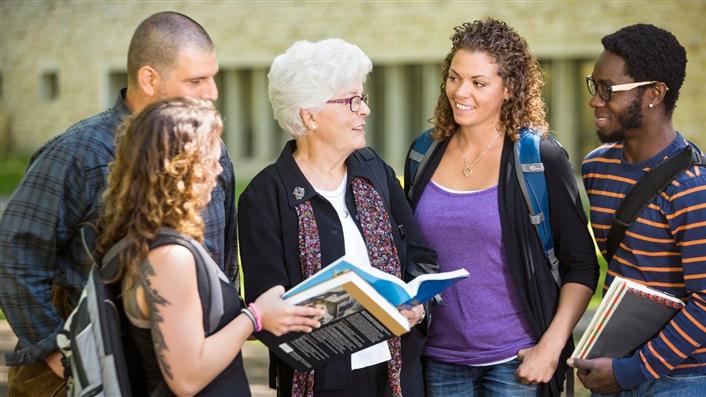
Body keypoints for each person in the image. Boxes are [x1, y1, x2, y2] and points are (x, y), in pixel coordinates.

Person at [0, 12, 236, 396]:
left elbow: (223, 257)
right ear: (149, 78)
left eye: (213, 77)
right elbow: (15, 254)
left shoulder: (212, 150)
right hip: (105, 373)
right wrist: (56, 352)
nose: (212, 92)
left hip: (195, 370)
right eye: (196, 80)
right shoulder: (76, 154)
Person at [403, 19, 599, 396]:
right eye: (454, 77)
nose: (460, 92)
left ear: (509, 89)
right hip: (439, 362)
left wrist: (550, 348)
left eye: (479, 83)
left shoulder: (539, 158)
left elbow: (581, 265)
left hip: (518, 361)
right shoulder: (423, 152)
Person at [238, 38, 439, 397]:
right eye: (352, 100)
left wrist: (417, 305)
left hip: (397, 373)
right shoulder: (265, 196)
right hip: (322, 383)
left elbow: (420, 256)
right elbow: (266, 311)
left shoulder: (374, 169)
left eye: (362, 98)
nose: (365, 110)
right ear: (309, 115)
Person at [93, 97, 322, 396]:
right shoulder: (169, 257)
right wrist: (255, 317)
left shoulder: (146, 239)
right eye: (209, 157)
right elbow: (186, 378)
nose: (217, 170)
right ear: (177, 166)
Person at [568, 24, 706, 396]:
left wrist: (632, 371)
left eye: (607, 90)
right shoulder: (597, 168)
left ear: (654, 94)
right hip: (610, 367)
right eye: (593, 86)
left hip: (682, 378)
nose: (595, 101)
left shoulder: (694, 187)